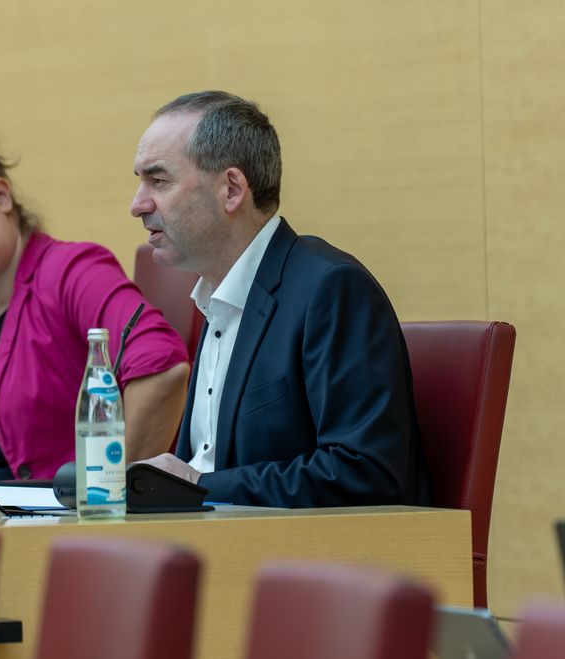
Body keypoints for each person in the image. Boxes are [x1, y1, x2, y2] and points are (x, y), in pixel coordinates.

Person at [129, 91, 431, 507]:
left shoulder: (330, 291)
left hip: (307, 561)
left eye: (158, 180)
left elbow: (365, 473)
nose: (137, 205)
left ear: (231, 189)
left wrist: (196, 486)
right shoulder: (213, 300)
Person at [0, 139, 190, 480]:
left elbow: (163, 368)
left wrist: (106, 497)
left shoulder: (73, 271)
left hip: (53, 524)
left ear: (0, 195)